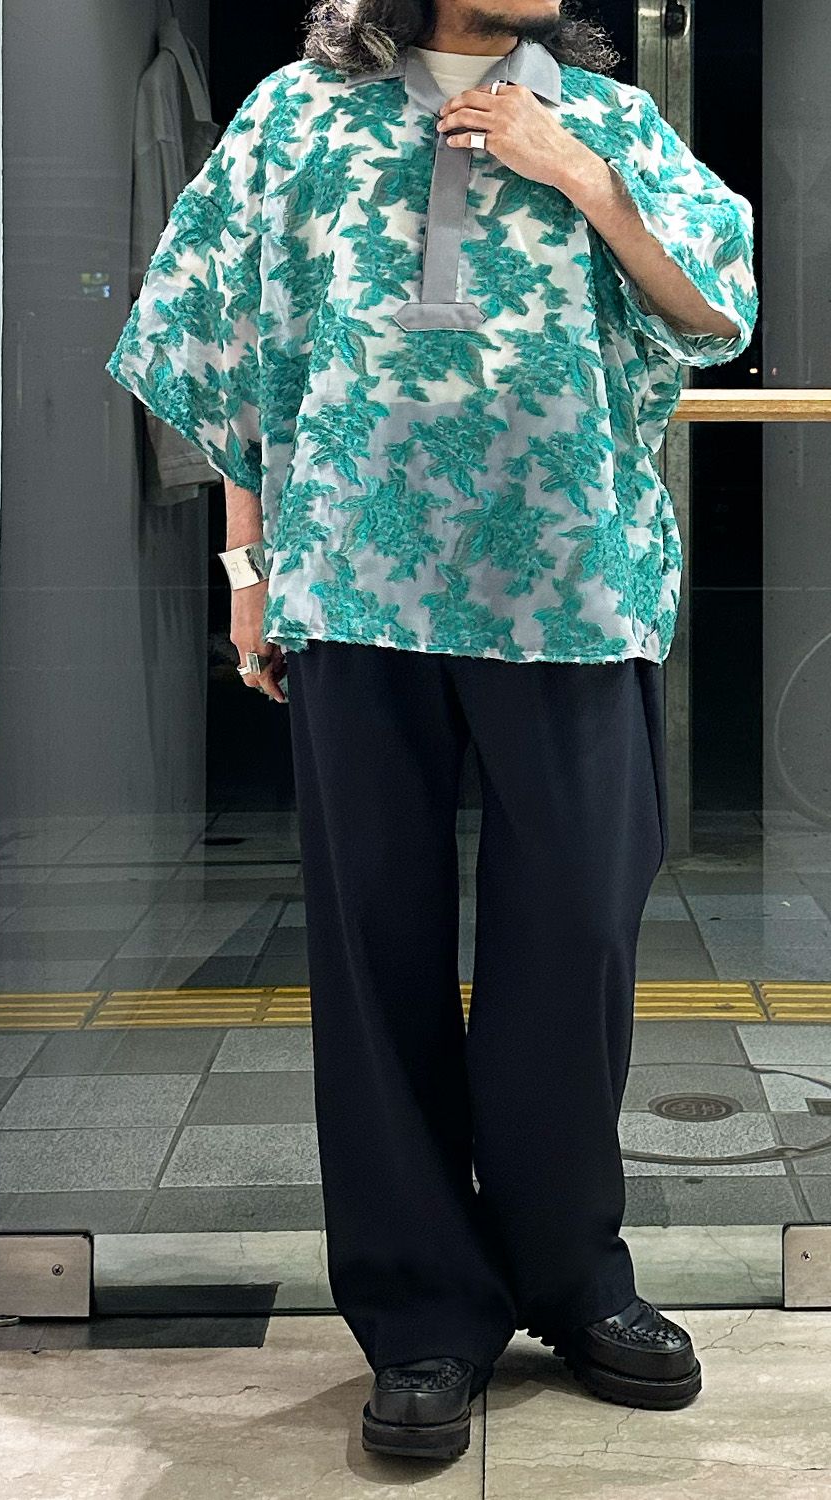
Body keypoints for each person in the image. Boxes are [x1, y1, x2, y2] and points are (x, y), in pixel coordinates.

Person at [105, 0, 757, 1464]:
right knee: (375, 946)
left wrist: (576, 174)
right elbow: (239, 354)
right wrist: (248, 567)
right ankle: (419, 1313)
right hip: (358, 582)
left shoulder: (610, 121)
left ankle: (573, 1275)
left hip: (572, 587)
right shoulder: (296, 117)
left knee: (577, 936)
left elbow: (717, 311)